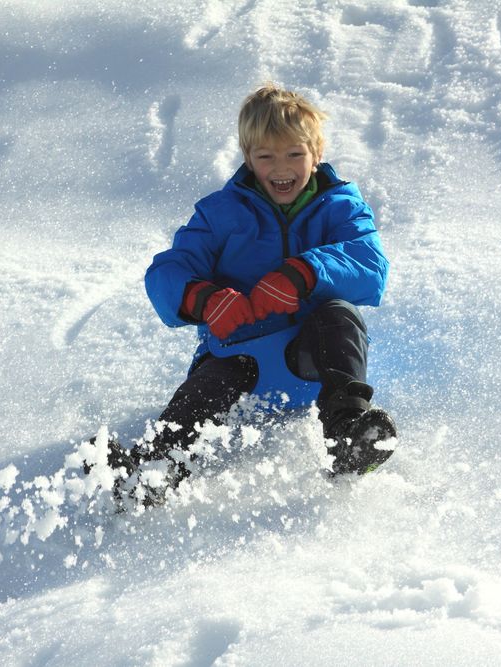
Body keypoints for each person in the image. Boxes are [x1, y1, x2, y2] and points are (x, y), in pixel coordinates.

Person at [89, 83, 396, 505]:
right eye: (265, 156)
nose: (280, 168)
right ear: (248, 157)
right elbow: (167, 271)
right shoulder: (220, 213)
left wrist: (304, 273)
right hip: (239, 356)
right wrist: (205, 300)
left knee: (338, 316)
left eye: (294, 154)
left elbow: (370, 266)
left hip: (311, 359)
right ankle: (155, 470)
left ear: (316, 153)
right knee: (209, 385)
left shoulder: (340, 207)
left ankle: (346, 433)